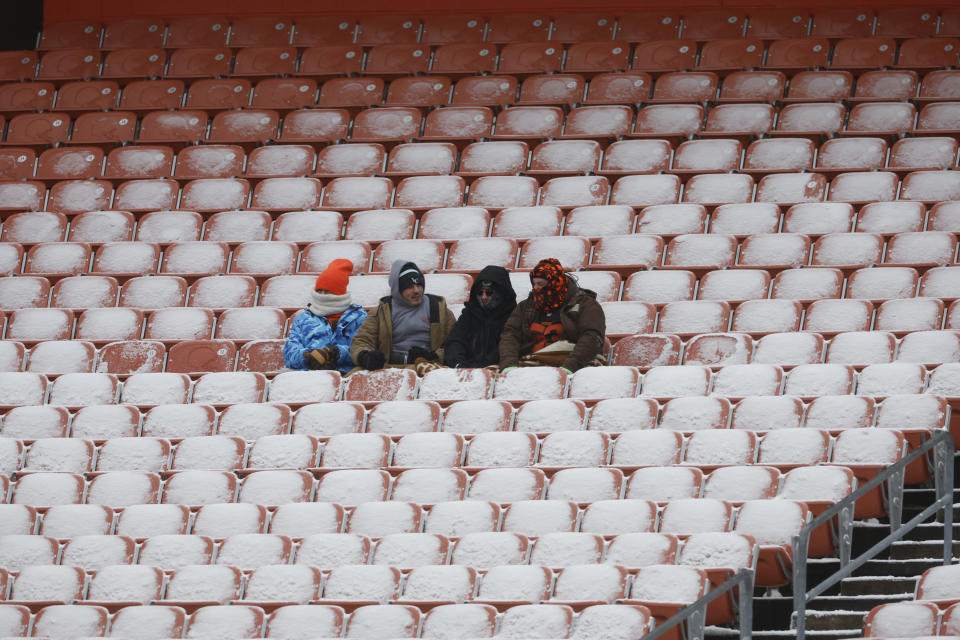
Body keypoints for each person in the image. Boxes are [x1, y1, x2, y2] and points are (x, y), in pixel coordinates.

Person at [499, 257, 606, 373]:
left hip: (574, 364)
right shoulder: (525, 307)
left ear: (555, 283)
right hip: (533, 363)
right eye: (534, 284)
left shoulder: (586, 305)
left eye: (541, 284)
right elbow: (510, 335)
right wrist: (509, 366)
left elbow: (592, 336)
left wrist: (568, 368)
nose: (536, 289)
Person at [351, 259, 457, 372]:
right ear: (397, 289)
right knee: (352, 378)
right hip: (388, 368)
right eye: (409, 286)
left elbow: (454, 343)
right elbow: (362, 341)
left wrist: (434, 356)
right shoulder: (381, 312)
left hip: (426, 367)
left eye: (419, 285)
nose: (416, 290)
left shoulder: (439, 310)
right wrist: (365, 356)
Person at [283, 259, 368, 374]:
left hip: (349, 376)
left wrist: (335, 353)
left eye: (327, 291)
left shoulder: (358, 317)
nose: (322, 295)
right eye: (319, 290)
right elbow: (290, 354)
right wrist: (310, 357)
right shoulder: (303, 319)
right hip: (310, 377)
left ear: (339, 293)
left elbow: (365, 351)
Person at [443, 265, 517, 369]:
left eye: (489, 293)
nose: (483, 297)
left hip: (496, 369)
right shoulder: (469, 313)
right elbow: (455, 341)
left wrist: (479, 367)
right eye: (480, 293)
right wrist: (458, 364)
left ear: (502, 294)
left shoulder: (513, 316)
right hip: (464, 368)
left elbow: (507, 348)